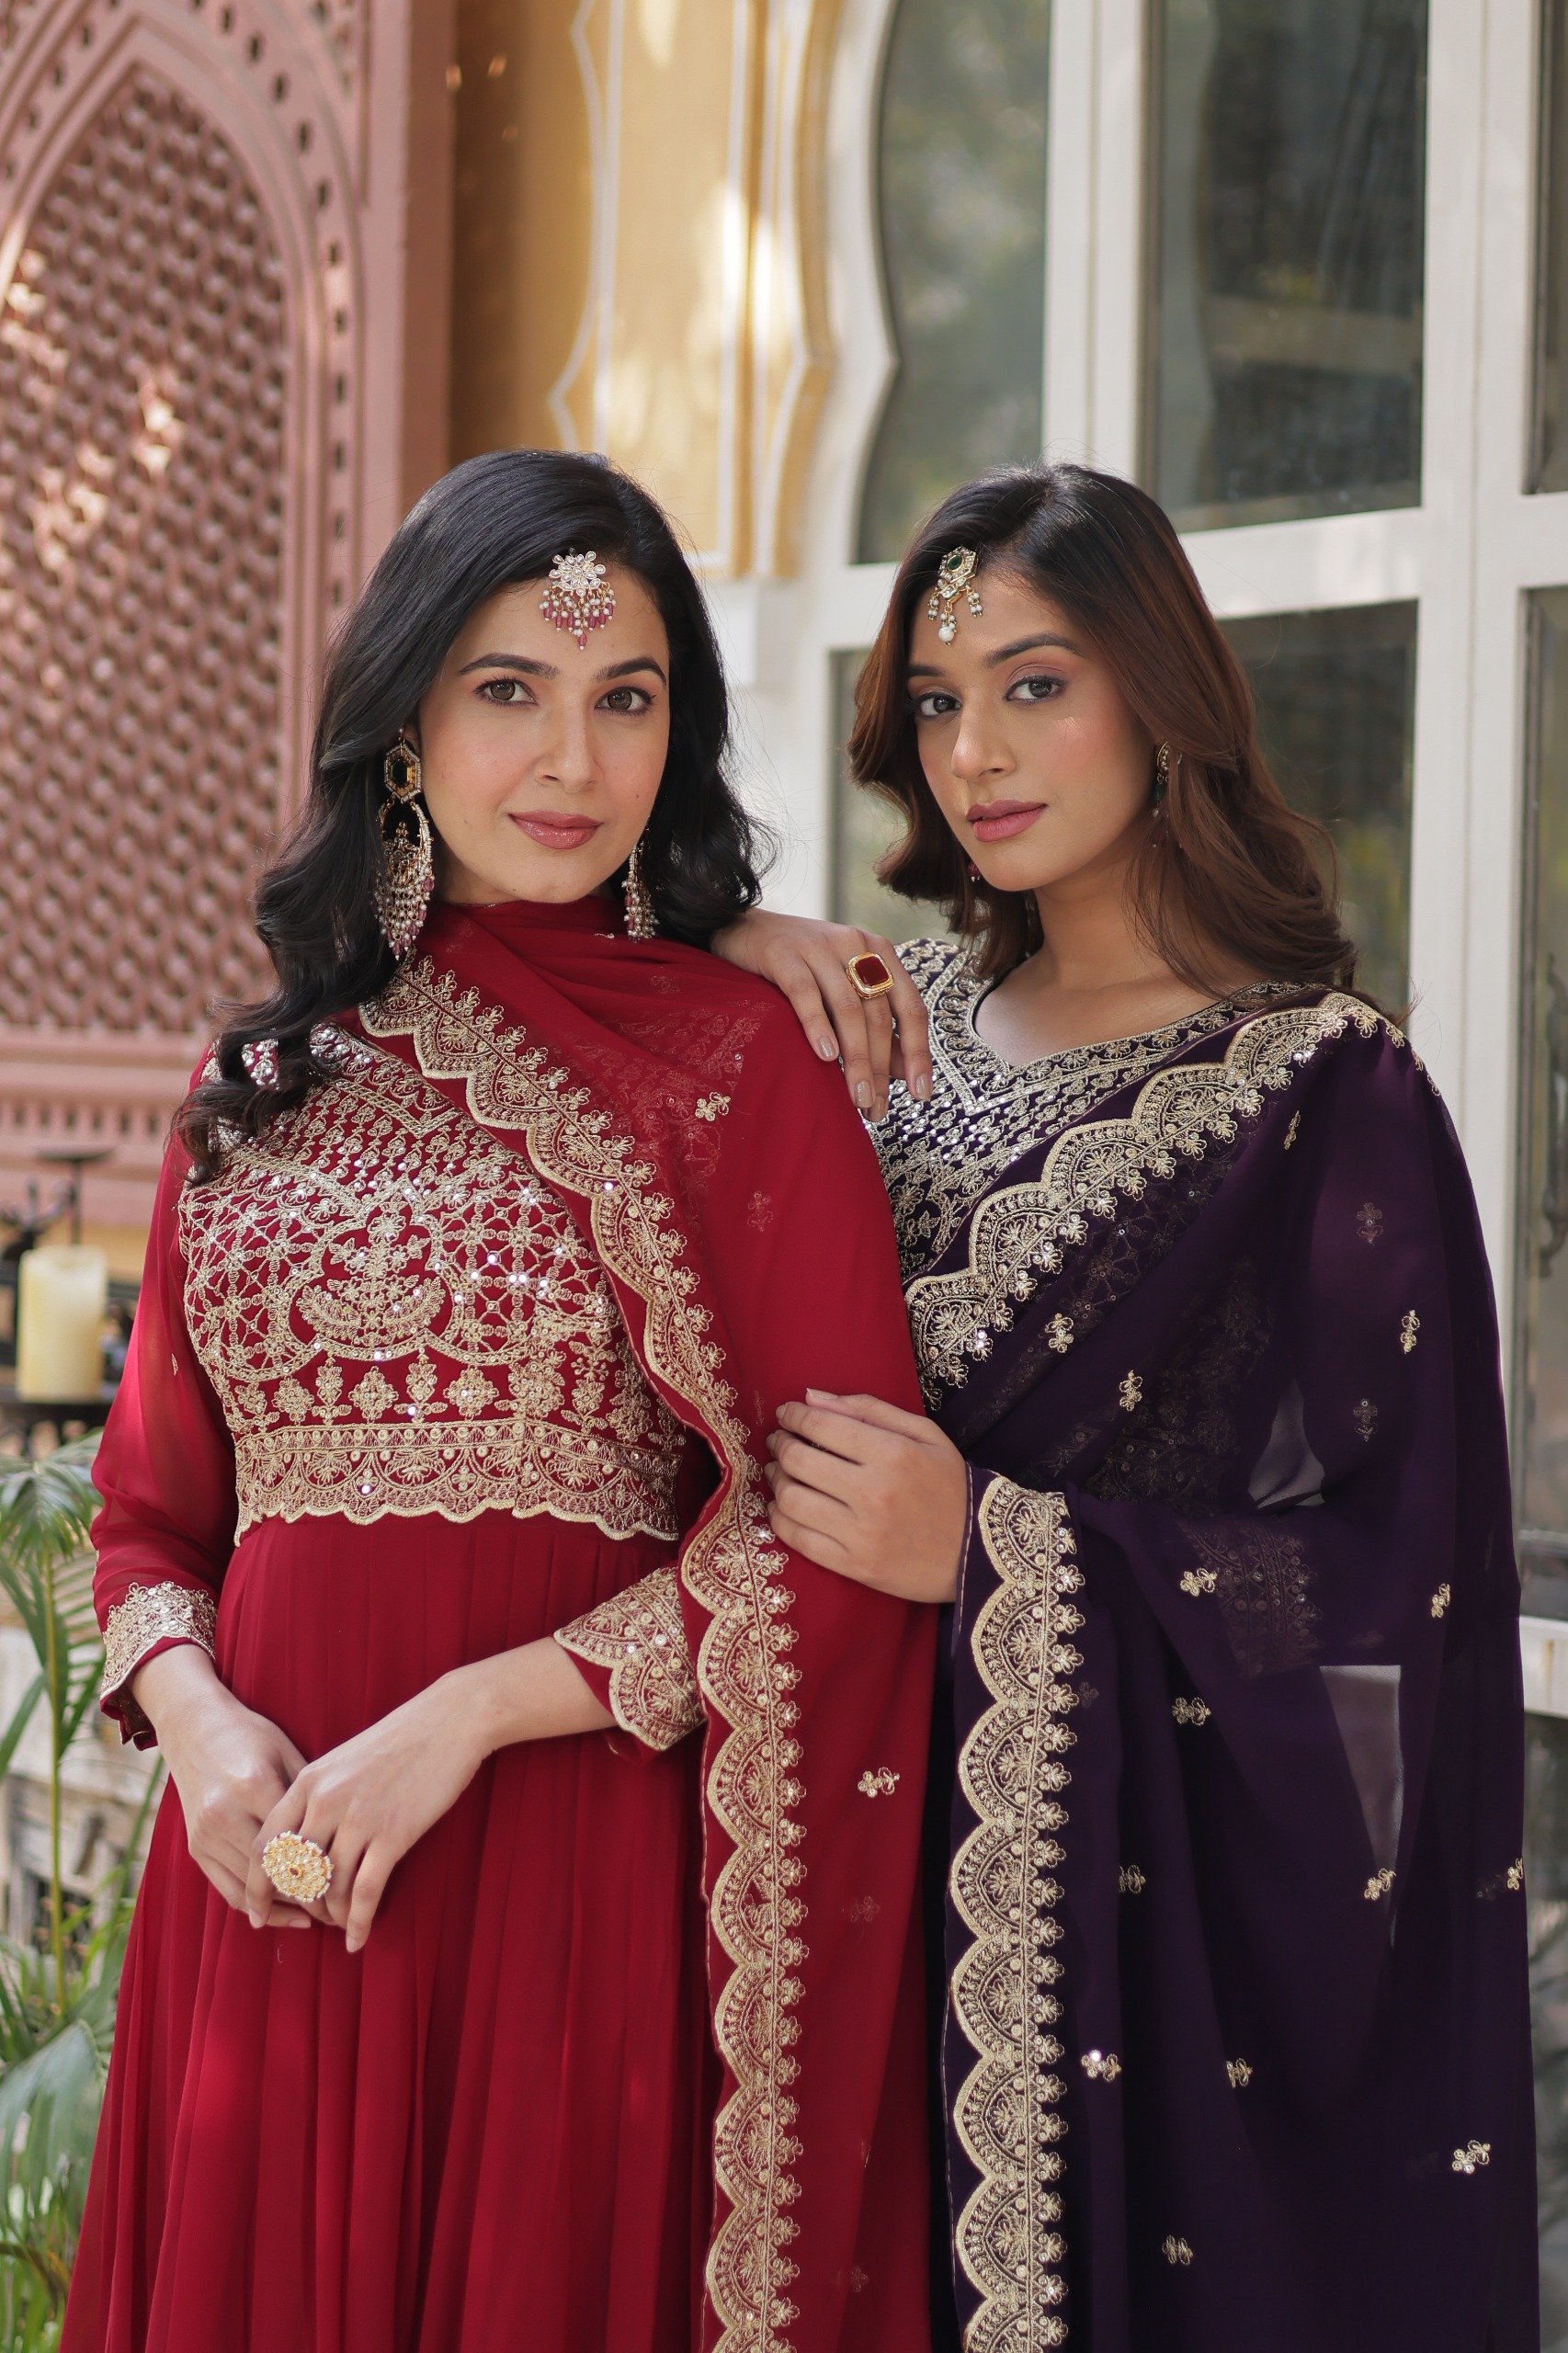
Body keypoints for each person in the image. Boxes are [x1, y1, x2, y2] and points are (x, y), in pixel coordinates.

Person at [64, 449, 937, 2353]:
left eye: (627, 697)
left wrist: (467, 1716)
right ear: (402, 724)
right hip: (266, 1878)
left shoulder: (738, 1065)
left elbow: (822, 1540)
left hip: (558, 1887)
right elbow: (144, 1520)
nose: (569, 759)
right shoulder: (259, 1084)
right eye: (507, 690)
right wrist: (201, 1733)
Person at [714, 463, 1537, 2351]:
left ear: (1160, 697)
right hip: (799, 1856)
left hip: (1085, 1943)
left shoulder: (1319, 1092)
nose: (975, 752)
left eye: (1035, 684)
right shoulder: (873, 1019)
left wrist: (1000, 1551)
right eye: (936, 701)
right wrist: (728, 935)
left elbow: (1390, 1590)